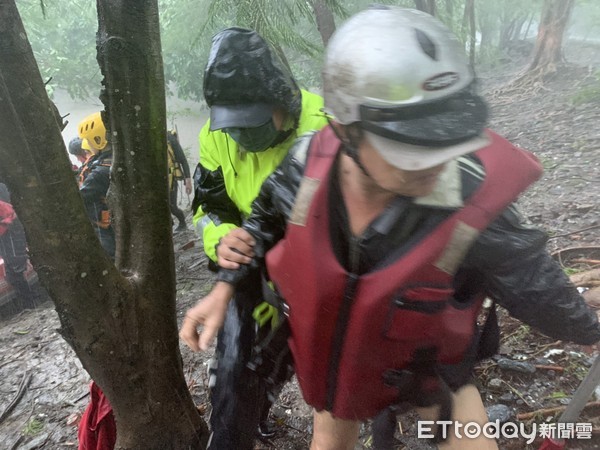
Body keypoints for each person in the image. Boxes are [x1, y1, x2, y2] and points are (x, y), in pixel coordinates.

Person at [180, 6, 600, 450]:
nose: (434, 164)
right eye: (410, 146)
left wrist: (588, 331)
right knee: (332, 431)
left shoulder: (468, 196)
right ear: (347, 132)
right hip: (337, 362)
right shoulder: (305, 168)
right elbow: (264, 219)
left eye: (444, 139)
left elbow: (530, 279)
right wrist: (225, 286)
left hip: (426, 369)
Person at [190, 27, 327, 449]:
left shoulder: (321, 131)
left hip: (314, 270)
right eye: (234, 127)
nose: (243, 140)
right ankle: (244, 424)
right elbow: (208, 205)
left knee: (324, 373)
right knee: (233, 368)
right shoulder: (216, 135)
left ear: (281, 101)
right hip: (247, 266)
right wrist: (220, 236)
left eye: (252, 124)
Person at [76, 112, 117, 450]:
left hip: (107, 229)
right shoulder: (107, 161)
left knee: (111, 261)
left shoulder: (101, 168)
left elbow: (86, 194)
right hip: (108, 224)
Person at [77, 112, 115, 260]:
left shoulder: (100, 171)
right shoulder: (112, 160)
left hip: (104, 225)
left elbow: (81, 196)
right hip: (113, 221)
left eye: (89, 140)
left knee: (110, 256)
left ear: (98, 139)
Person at [0, 182, 38, 310]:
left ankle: (31, 303)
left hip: (11, 233)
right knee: (11, 272)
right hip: (6, 236)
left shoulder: (2, 194)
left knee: (15, 269)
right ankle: (29, 303)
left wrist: (5, 223)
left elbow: (10, 214)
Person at [167, 129, 192, 232]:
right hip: (156, 180)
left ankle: (182, 223)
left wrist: (188, 181)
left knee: (172, 206)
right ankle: (169, 225)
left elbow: (183, 161)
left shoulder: (170, 138)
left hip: (171, 179)